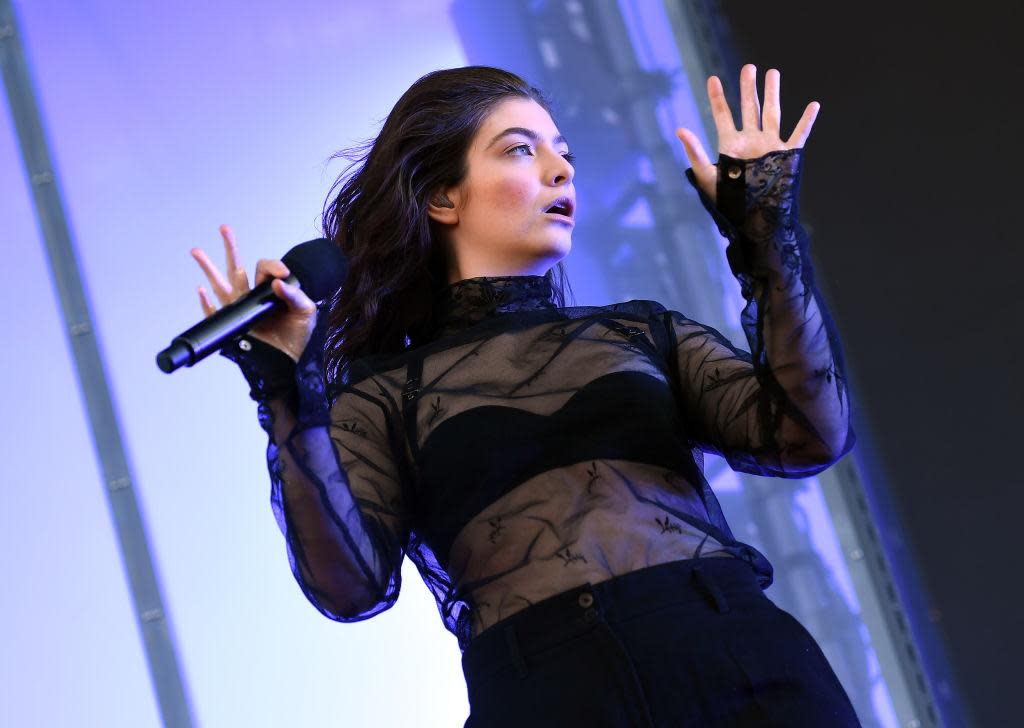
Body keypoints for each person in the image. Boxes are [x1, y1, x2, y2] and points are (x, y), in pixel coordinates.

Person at [188, 64, 860, 727]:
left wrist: (765, 234)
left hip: (738, 664)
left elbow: (806, 433)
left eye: (565, 154)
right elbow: (349, 586)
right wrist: (288, 390)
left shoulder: (639, 333)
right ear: (442, 198)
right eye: (521, 150)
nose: (562, 170)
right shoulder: (384, 395)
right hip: (543, 697)